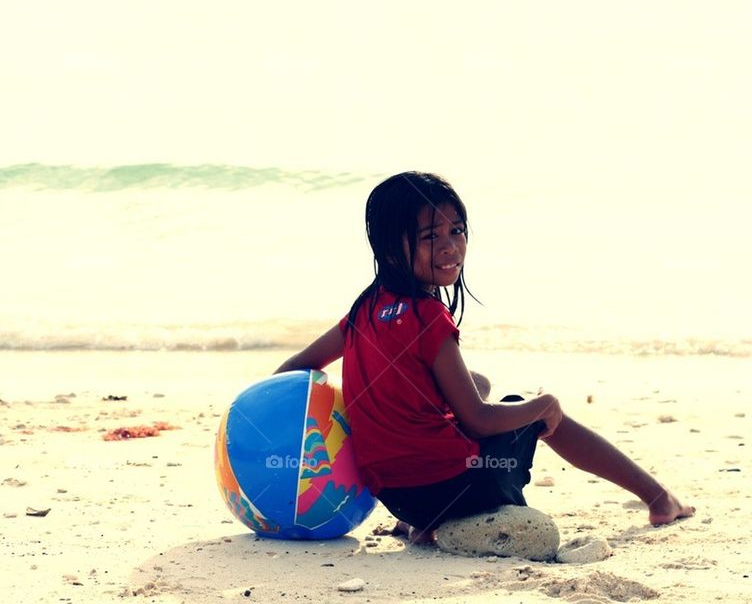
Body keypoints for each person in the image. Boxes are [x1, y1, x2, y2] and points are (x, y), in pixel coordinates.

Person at [274, 171, 694, 542]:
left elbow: (291, 371)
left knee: (477, 382)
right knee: (533, 411)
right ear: (389, 247)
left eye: (456, 231)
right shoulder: (427, 316)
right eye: (429, 237)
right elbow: (478, 420)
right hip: (458, 490)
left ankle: (417, 524)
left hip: (398, 499)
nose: (450, 247)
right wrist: (541, 406)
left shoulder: (363, 312)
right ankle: (659, 498)